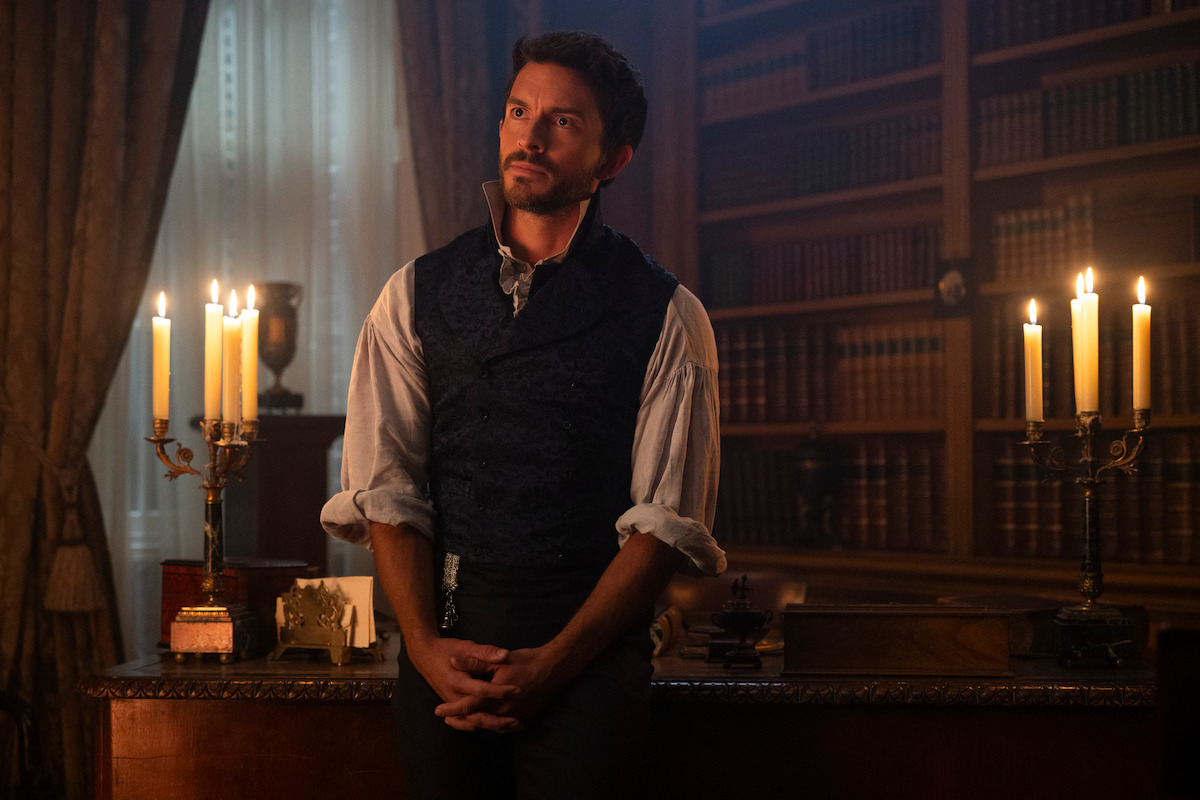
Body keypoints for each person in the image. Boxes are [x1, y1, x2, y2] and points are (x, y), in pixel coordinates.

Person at [321, 30, 725, 800]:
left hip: (589, 665)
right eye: (518, 111)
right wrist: (426, 646)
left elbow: (664, 525)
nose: (529, 136)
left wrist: (555, 664)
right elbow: (389, 490)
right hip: (444, 649)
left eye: (563, 121)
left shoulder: (667, 314)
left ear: (614, 160)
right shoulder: (412, 294)